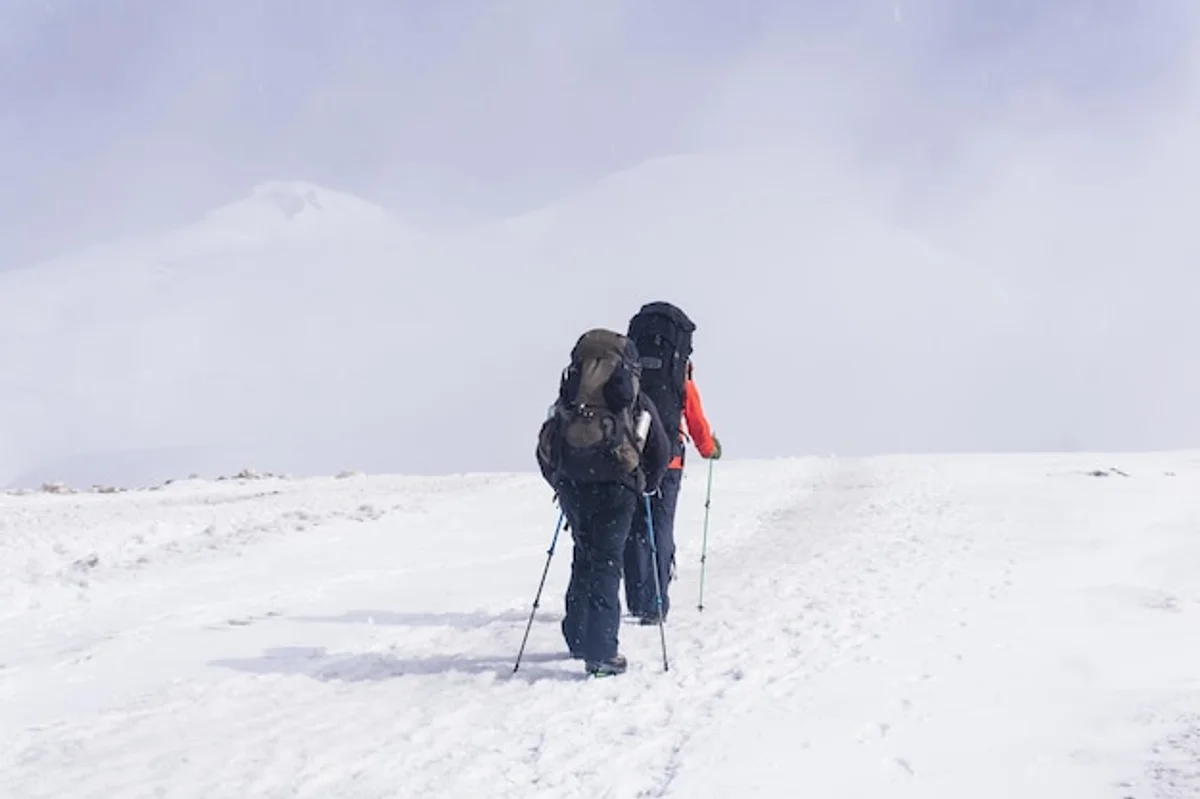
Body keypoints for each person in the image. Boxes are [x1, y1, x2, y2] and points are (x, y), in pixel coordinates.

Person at [536, 328, 670, 677]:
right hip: (617, 487)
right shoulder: (633, 398)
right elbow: (660, 450)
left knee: (585, 555)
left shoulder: (571, 396)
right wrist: (645, 484)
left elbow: (546, 445)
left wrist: (560, 481)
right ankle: (601, 652)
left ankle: (577, 637)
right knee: (607, 561)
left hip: (574, 486)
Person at [623, 302, 722, 625]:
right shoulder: (678, 369)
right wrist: (708, 448)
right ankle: (655, 602)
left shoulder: (630, 367)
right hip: (669, 459)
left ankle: (637, 600)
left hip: (628, 454)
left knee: (634, 524)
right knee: (660, 526)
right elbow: (693, 412)